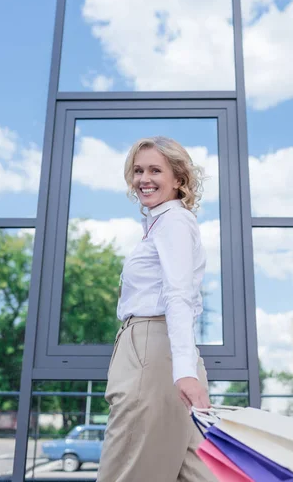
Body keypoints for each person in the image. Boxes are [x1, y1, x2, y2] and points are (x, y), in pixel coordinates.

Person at [97, 136, 217, 482]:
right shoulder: (162, 225)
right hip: (164, 351)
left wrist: (184, 371)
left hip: (152, 350)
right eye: (137, 171)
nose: (143, 179)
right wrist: (186, 367)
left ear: (179, 179)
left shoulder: (173, 223)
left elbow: (178, 295)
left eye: (155, 170)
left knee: (127, 467)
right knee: (196, 471)